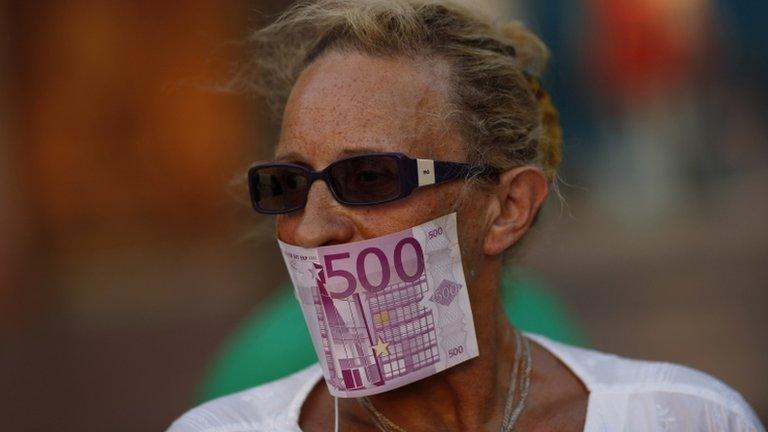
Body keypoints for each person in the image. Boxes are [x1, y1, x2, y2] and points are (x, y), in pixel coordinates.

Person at [167, 1, 765, 431]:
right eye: (287, 185)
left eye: (370, 178)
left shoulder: (685, 416)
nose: (312, 228)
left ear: (507, 208)